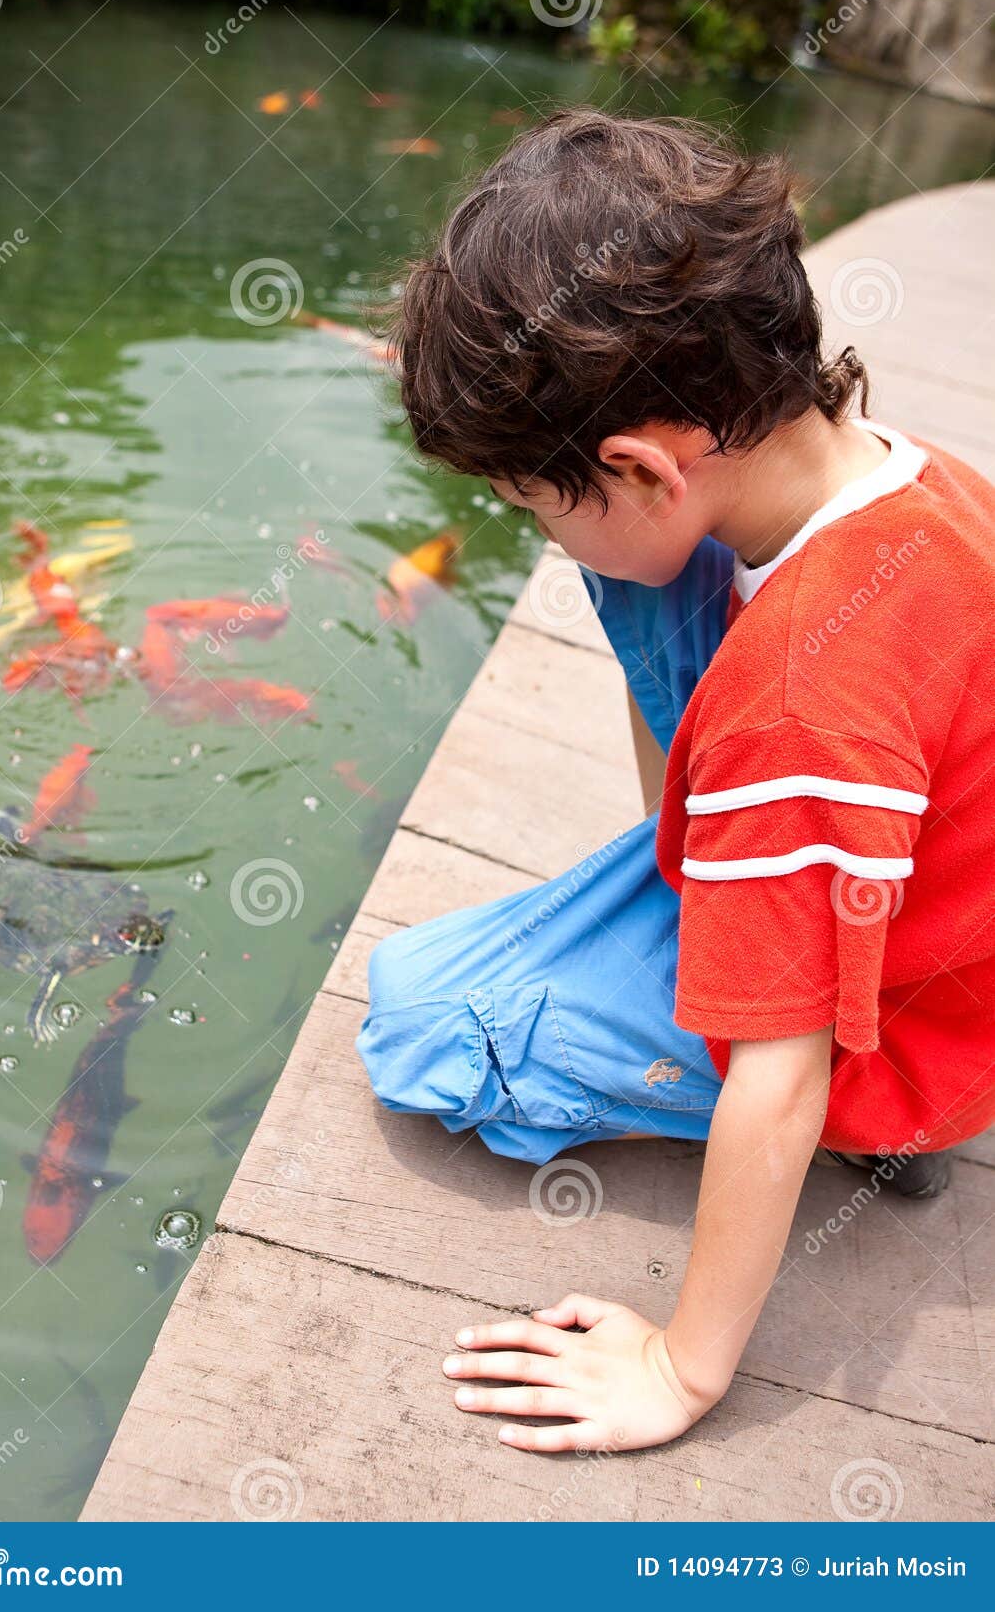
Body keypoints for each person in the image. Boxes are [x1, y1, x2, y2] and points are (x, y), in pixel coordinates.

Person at [356, 109, 995, 1454]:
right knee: (629, 570)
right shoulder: (919, 484)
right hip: (912, 881)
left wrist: (682, 1368)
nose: (536, 524)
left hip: (886, 1025)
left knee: (419, 1020)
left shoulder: (803, 705)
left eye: (539, 496)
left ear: (647, 465)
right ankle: (721, 889)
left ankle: (871, 1115)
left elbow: (783, 1064)